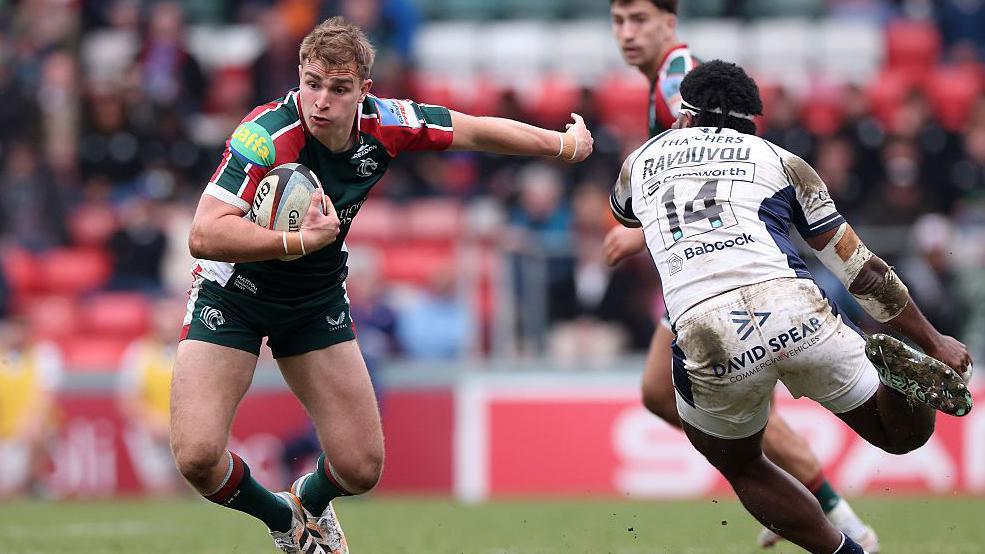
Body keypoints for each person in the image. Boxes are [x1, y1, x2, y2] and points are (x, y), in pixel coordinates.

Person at [171, 16, 592, 554]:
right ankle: (286, 520)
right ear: (299, 75)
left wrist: (561, 145)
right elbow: (204, 234)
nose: (321, 100)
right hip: (233, 297)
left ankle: (308, 498)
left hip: (313, 299)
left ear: (363, 91)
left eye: (339, 89)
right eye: (312, 83)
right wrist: (296, 243)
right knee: (198, 457)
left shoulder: (386, 122)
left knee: (360, 467)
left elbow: (474, 130)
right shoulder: (265, 132)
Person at [610, 59, 973, 554]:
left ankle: (846, 551)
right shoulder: (781, 160)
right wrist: (934, 338)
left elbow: (625, 212)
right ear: (751, 122)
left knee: (741, 462)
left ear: (685, 116)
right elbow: (860, 270)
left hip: (704, 328)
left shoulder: (640, 160)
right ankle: (899, 377)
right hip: (792, 306)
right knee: (901, 435)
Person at [604, 1, 878, 549]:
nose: (627, 33)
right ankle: (816, 503)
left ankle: (837, 519)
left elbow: (723, 166)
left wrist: (639, 232)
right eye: (618, 21)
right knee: (661, 392)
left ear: (669, 22)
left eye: (639, 19)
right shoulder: (664, 79)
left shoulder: (676, 81)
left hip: (719, 268)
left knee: (672, 394)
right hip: (703, 266)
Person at [117, 296, 184, 493]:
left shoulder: (193, 350)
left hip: (186, 431)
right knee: (161, 490)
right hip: (151, 434)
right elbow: (128, 400)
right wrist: (153, 422)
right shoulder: (138, 353)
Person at [0, 317, 63, 497]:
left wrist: (30, 425)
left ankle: (30, 483)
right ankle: (30, 486)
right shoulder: (4, 358)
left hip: (28, 432)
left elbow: (44, 397)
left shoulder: (44, 354)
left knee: (40, 435)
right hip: (5, 434)